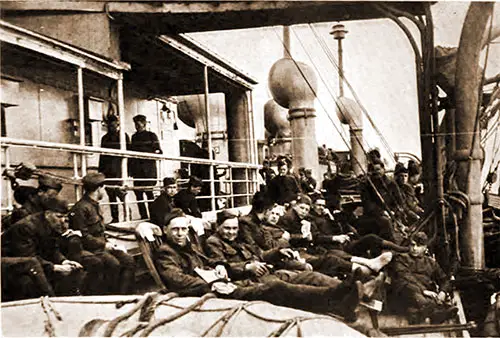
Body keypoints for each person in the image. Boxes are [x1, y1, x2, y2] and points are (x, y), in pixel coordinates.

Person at [154, 209, 364, 321]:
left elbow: (213, 264)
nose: (181, 234)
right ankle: (336, 296)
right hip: (213, 293)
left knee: (298, 277)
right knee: (276, 288)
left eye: (183, 229)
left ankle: (341, 295)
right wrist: (212, 284)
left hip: (228, 282)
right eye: (176, 230)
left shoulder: (190, 247)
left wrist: (218, 269)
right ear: (165, 230)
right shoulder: (166, 252)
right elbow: (176, 278)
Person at [2, 197, 84, 298]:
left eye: (65, 217)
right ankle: (52, 301)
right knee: (28, 282)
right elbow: (28, 258)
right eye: (59, 216)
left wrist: (64, 261)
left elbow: (53, 249)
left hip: (34, 263)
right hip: (12, 266)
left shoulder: (49, 223)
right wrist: (54, 267)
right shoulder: (26, 227)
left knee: (74, 270)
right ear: (48, 214)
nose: (63, 220)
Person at [69, 173, 136, 294]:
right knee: (113, 264)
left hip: (101, 247)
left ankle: (123, 295)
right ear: (99, 188)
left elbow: (100, 228)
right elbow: (83, 235)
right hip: (91, 249)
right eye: (103, 188)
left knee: (129, 260)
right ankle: (111, 296)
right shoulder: (81, 208)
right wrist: (103, 244)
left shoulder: (93, 205)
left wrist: (110, 241)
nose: (104, 191)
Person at [389, 232, 458, 324]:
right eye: (413, 245)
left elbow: (444, 279)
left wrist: (443, 292)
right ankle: (434, 312)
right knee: (407, 286)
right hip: (406, 292)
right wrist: (423, 290)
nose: (415, 248)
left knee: (424, 299)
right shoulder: (401, 258)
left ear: (425, 247)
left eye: (419, 246)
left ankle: (417, 314)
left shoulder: (431, 263)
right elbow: (405, 276)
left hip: (424, 295)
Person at [129, 114, 162, 219]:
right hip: (137, 170)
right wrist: (130, 169)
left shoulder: (152, 135)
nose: (137, 127)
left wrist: (151, 154)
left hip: (148, 170)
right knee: (138, 194)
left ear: (144, 124)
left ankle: (153, 216)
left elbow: (159, 151)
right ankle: (143, 216)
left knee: (149, 194)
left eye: (138, 124)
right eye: (135, 124)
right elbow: (131, 153)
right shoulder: (134, 137)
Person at [99, 115, 130, 223]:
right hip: (108, 171)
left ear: (117, 124)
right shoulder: (105, 138)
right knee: (111, 195)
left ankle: (127, 216)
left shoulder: (123, 136)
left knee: (121, 194)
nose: (111, 127)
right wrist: (101, 171)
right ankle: (115, 218)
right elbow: (102, 155)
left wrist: (128, 170)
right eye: (109, 125)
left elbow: (128, 153)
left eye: (113, 125)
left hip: (119, 170)